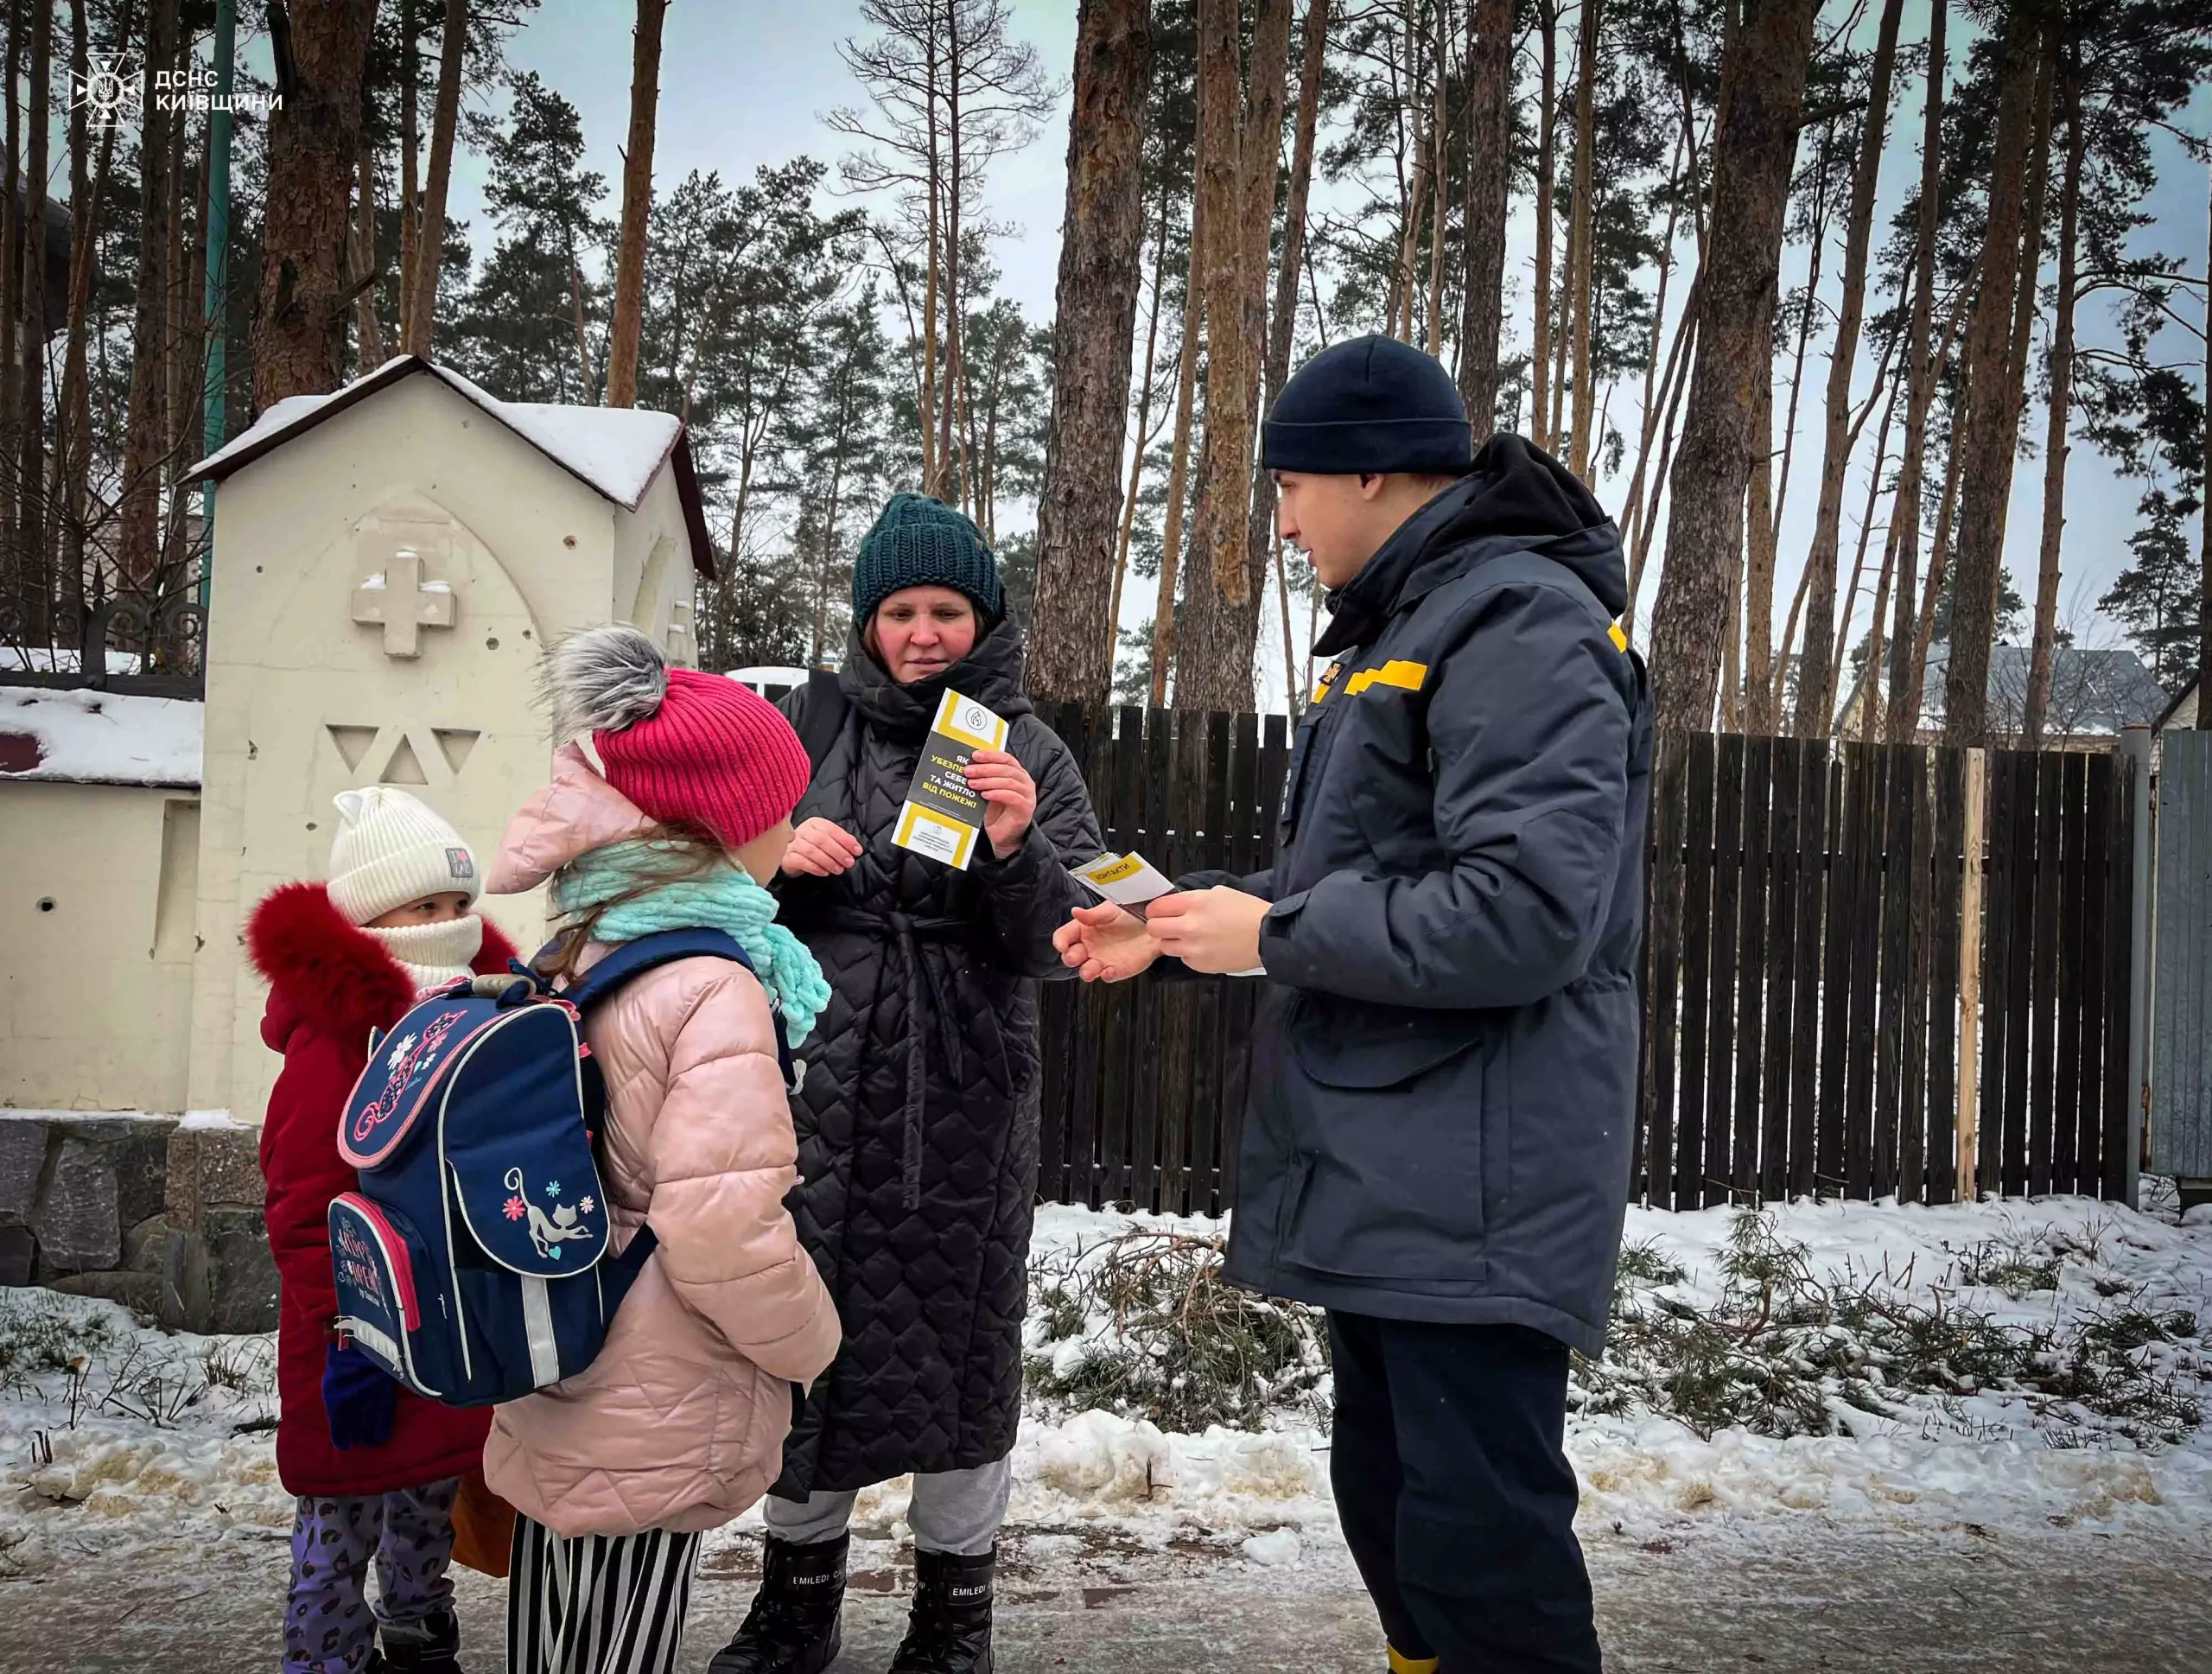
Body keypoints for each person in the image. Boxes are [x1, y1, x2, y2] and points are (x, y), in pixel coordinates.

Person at [1057, 334, 1652, 1674]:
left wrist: (1271, 933)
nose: (1283, 521)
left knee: (1479, 1551)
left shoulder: (1519, 620)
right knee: (1399, 1526)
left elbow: (1528, 911)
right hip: (1401, 1169)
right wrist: (1175, 923)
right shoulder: (1410, 626)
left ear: (1373, 473)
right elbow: (1363, 883)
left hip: (1473, 1183)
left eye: (1292, 488)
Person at [708, 493, 1104, 1674]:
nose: (922, 632)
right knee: (801, 1335)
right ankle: (796, 1602)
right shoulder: (806, 730)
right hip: (811, 1087)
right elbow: (701, 889)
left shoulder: (1019, 743)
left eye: (945, 610)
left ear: (982, 618)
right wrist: (768, 858)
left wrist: (1019, 850)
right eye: (898, 610)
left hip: (966, 1096)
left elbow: (1074, 936)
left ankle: (952, 1616)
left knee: (963, 1342)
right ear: (866, 619)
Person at [480, 625, 843, 1674]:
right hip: (658, 1382)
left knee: (554, 1648)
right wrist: (810, 1339)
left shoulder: (578, 942)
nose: (792, 825)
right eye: (780, 806)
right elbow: (718, 1223)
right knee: (624, 1643)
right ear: (725, 829)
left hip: (558, 1348)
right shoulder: (716, 987)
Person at [247, 786, 518, 1674]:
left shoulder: (481, 1010)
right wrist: (344, 1329)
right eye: (422, 906)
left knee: (429, 1492)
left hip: (449, 1313)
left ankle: (419, 1629)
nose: (446, 923)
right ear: (370, 914)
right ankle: (325, 1653)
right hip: (357, 1325)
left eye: (455, 904)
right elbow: (301, 1198)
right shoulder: (339, 1036)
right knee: (341, 1509)